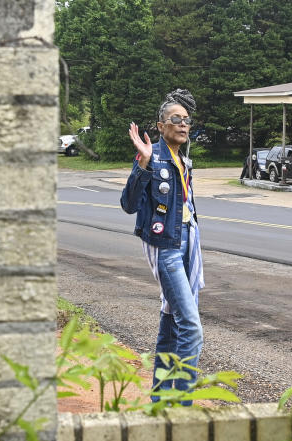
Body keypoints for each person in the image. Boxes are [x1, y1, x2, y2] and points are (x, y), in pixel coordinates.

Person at [120, 89, 204, 405]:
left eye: (186, 120)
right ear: (161, 125)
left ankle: (159, 404)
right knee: (192, 330)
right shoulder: (151, 157)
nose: (183, 124)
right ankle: (180, 409)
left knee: (170, 326)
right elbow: (129, 204)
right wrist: (142, 164)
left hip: (187, 245)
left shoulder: (184, 160)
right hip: (166, 249)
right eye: (175, 119)